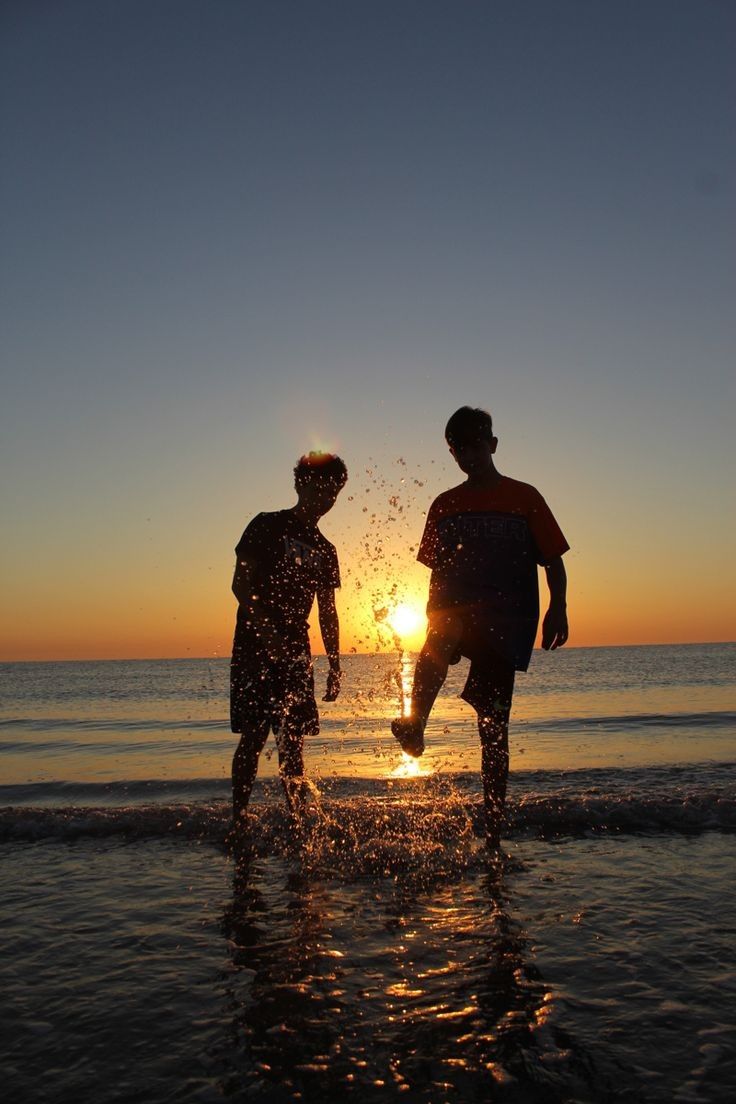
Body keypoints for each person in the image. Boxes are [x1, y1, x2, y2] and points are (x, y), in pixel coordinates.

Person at [392, 407, 569, 849]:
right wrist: (432, 616)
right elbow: (435, 570)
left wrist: (558, 609)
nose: (467, 455)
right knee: (444, 629)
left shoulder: (524, 497)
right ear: (452, 453)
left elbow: (553, 560)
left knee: (493, 725)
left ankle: (494, 819)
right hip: (455, 612)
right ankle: (415, 724)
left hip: (506, 622)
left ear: (492, 444)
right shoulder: (445, 504)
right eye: (458, 449)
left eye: (474, 445)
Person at [230, 451, 348, 839]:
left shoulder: (326, 550)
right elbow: (240, 585)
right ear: (300, 484)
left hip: (297, 649)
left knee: (292, 741)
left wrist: (334, 663)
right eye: (320, 487)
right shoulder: (266, 525)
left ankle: (297, 822)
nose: (327, 498)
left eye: (334, 491)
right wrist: (267, 633)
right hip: (254, 643)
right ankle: (239, 817)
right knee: (253, 734)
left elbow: (327, 612)